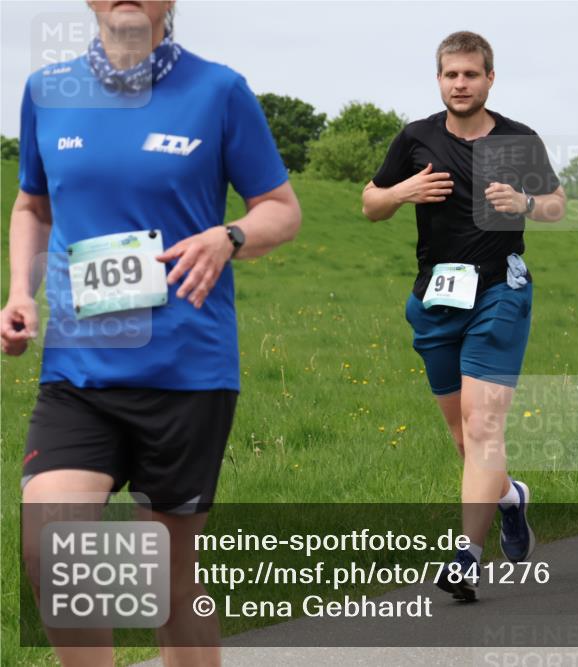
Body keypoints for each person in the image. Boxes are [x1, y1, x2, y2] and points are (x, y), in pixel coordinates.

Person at [2, 2, 300, 664]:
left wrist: (230, 237)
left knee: (166, 579)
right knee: (54, 544)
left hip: (186, 370)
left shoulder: (219, 90)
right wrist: (20, 290)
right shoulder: (47, 91)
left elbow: (281, 208)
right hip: (79, 372)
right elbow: (33, 206)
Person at [361, 31, 566, 600]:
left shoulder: (519, 140)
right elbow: (370, 204)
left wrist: (525, 204)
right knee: (461, 436)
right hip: (435, 296)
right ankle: (509, 498)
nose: (460, 84)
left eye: (471, 75)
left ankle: (467, 558)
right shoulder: (416, 137)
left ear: (489, 79)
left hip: (501, 289)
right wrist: (404, 190)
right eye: (451, 75)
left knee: (482, 427)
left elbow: (557, 203)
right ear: (439, 79)